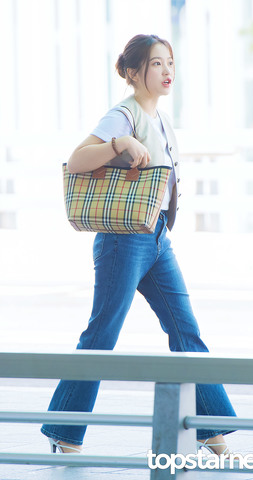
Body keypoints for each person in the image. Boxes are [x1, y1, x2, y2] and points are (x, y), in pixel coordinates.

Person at [41, 34, 236, 456]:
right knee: (101, 335)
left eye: (170, 62)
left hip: (156, 239)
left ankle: (213, 433)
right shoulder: (123, 114)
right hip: (122, 242)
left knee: (185, 330)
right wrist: (119, 143)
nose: (167, 71)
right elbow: (76, 160)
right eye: (155, 64)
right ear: (133, 73)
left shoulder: (160, 117)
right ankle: (64, 431)